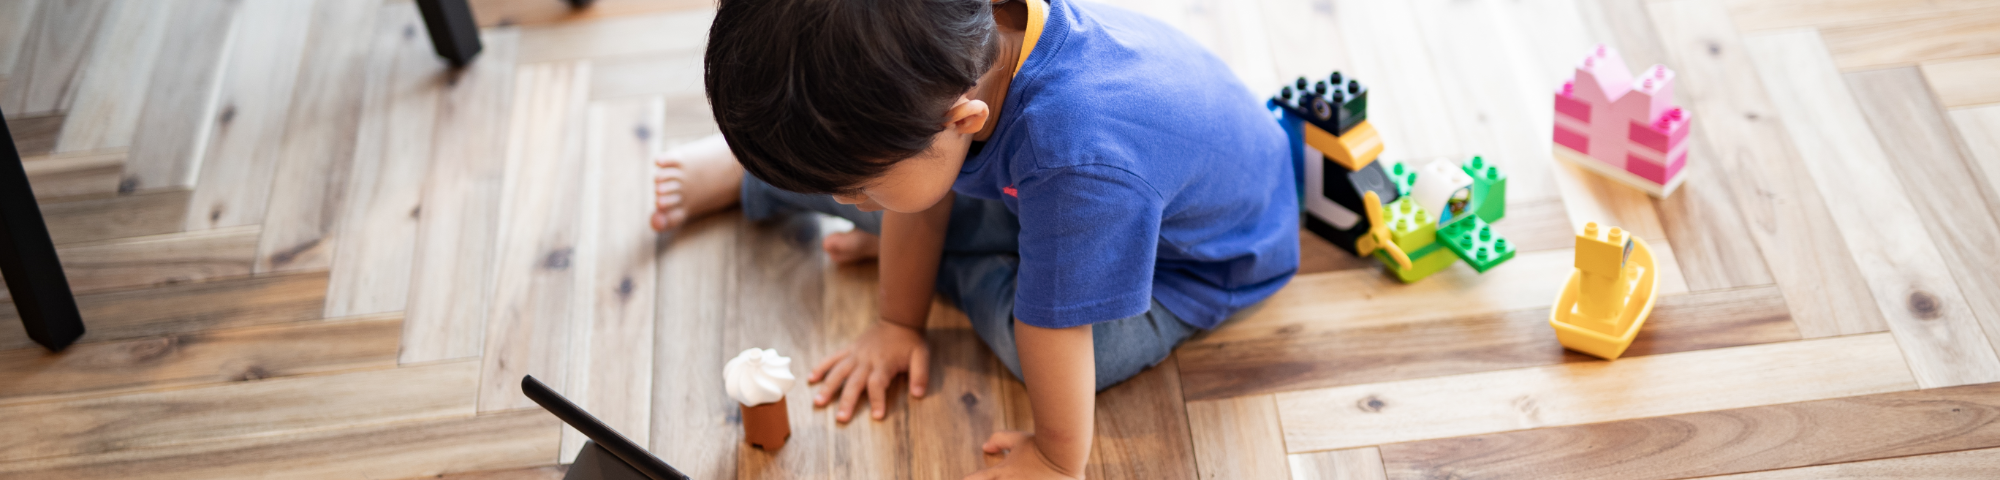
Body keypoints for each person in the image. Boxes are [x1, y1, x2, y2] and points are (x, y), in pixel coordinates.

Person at [654, 0, 1297, 477]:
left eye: (859, 190)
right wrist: (896, 322)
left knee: (1041, 350)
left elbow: (1056, 327)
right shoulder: (959, 53)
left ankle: (947, 264)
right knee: (915, 188)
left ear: (964, 120)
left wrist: (1054, 454)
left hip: (1191, 268)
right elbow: (922, 193)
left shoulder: (1072, 159)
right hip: (1076, 186)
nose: (849, 203)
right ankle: (760, 177)